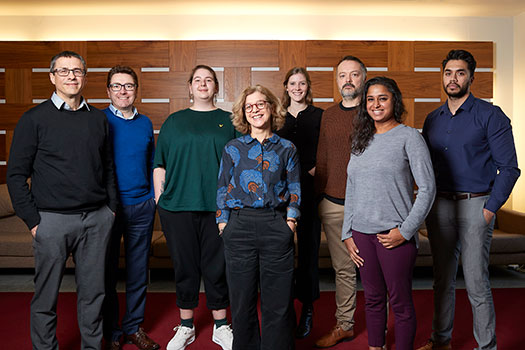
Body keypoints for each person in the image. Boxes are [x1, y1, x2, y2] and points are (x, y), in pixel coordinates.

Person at [6, 51, 117, 350]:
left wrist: (110, 211)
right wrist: (34, 221)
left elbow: (107, 168)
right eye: (64, 71)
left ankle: (92, 347)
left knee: (94, 294)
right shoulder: (33, 119)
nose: (71, 76)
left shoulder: (98, 119)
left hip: (96, 219)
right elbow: (15, 175)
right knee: (46, 294)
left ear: (84, 76)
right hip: (51, 221)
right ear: (52, 77)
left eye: (77, 71)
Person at [418, 49, 520, 350]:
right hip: (441, 205)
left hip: (477, 203)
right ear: (442, 77)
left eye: (460, 73)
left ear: (471, 78)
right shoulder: (432, 119)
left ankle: (486, 346)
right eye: (448, 73)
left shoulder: (491, 115)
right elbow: (426, 168)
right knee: (442, 280)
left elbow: (510, 168)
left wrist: (489, 211)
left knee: (476, 282)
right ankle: (441, 341)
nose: (453, 78)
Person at [343, 76, 436, 350]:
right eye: (370, 99)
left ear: (394, 100)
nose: (376, 104)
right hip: (361, 234)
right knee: (372, 298)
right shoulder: (360, 139)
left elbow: (428, 188)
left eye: (382, 98)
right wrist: (347, 232)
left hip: (393, 234)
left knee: (400, 301)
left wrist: (405, 231)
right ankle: (375, 347)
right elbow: (352, 188)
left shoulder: (409, 137)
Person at [153, 65, 236, 350]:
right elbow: (159, 163)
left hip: (218, 208)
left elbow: (239, 165)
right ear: (189, 87)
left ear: (216, 87)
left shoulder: (229, 120)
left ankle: (221, 326)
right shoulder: (174, 121)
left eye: (208, 80)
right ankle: (186, 325)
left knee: (217, 267)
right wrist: (158, 200)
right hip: (177, 207)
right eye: (197, 80)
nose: (203, 84)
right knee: (185, 267)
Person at [216, 84, 301, 350]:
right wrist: (223, 224)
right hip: (239, 227)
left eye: (260, 104)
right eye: (249, 106)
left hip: (275, 225)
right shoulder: (233, 148)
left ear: (271, 108)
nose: (255, 110)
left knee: (278, 302)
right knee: (242, 302)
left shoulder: (287, 148)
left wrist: (290, 223)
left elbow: (296, 188)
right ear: (243, 112)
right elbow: (222, 187)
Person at [102, 66, 158, 350]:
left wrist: (151, 198)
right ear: (108, 90)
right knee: (107, 273)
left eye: (128, 86)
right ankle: (112, 332)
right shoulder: (98, 121)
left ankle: (134, 327)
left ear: (137, 89)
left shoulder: (145, 123)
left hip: (141, 207)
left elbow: (151, 163)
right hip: (109, 209)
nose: (123, 91)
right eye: (117, 86)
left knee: (138, 271)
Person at [314, 55, 366, 348]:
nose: (348, 80)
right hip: (333, 204)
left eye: (354, 75)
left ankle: (378, 323)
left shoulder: (374, 111)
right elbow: (322, 158)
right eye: (342, 75)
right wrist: (319, 198)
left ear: (363, 78)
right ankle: (345, 325)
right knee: (343, 270)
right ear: (337, 80)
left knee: (373, 269)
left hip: (368, 206)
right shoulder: (328, 115)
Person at [276, 67, 323, 339]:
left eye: (302, 83)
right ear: (286, 87)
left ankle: (307, 307)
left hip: (309, 189)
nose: (297, 87)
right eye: (292, 83)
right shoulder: (278, 117)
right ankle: (283, 309)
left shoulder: (320, 116)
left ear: (308, 87)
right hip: (280, 193)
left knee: (308, 251)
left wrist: (317, 169)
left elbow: (328, 150)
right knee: (280, 251)